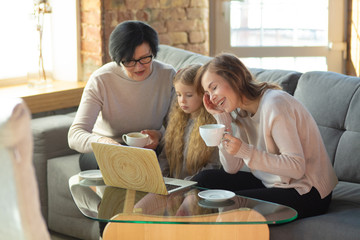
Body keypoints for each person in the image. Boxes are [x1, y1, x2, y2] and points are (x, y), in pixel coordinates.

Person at [192, 53, 338, 219]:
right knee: (203, 181)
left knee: (234, 204)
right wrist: (221, 118)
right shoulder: (240, 111)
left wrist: (246, 151)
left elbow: (296, 168)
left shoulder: (275, 104)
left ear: (234, 78)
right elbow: (231, 168)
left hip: (307, 190)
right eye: (207, 93)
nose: (212, 97)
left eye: (214, 87)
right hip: (272, 183)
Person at [68, 20, 176, 170]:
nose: (139, 67)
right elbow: (75, 135)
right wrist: (105, 143)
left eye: (145, 58)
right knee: (115, 164)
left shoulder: (168, 75)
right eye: (129, 61)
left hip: (149, 148)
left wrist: (159, 135)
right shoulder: (101, 79)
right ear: (118, 60)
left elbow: (179, 127)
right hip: (106, 149)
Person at [158, 64, 221, 180]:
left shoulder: (213, 125)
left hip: (197, 187)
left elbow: (213, 166)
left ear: (204, 94)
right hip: (172, 185)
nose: (182, 100)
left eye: (189, 95)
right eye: (178, 95)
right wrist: (164, 180)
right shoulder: (176, 120)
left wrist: (188, 184)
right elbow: (164, 157)